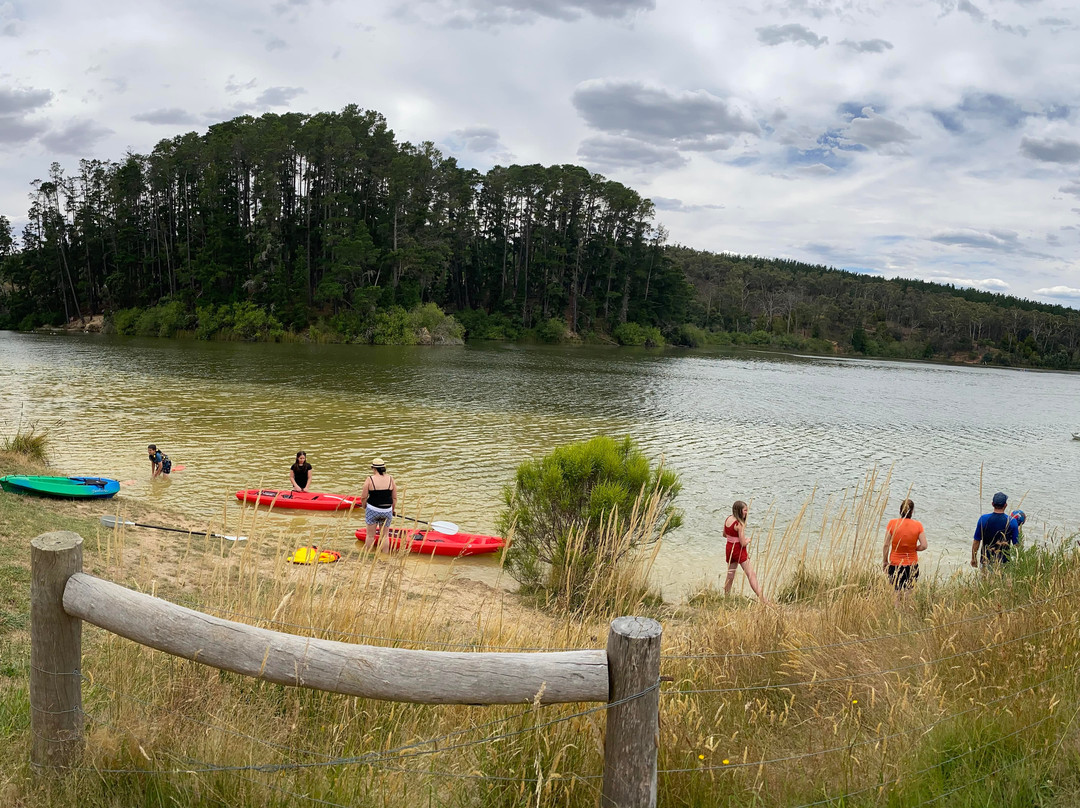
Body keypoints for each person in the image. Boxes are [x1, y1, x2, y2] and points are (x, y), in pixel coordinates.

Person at [722, 500, 767, 602]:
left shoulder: (728, 519)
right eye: (745, 510)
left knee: (730, 575)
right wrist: (748, 540)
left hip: (729, 549)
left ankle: (726, 598)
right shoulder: (739, 524)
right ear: (739, 511)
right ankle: (764, 600)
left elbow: (724, 534)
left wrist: (733, 538)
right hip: (739, 550)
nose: (747, 512)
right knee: (751, 574)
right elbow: (742, 543)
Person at [882, 498, 927, 599]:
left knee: (896, 593)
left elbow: (886, 544)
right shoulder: (918, 525)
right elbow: (924, 545)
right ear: (912, 511)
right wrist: (914, 548)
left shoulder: (892, 523)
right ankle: (907, 613)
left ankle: (897, 613)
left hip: (895, 564)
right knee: (909, 594)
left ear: (900, 510)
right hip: (911, 565)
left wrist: (885, 561)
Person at [971, 492, 1020, 569]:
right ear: (1005, 505)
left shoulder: (983, 519)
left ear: (992, 504)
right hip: (1004, 563)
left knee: (984, 580)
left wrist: (973, 559)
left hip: (985, 561)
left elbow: (976, 541)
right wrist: (1018, 530)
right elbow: (1017, 545)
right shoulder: (1012, 522)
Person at [360, 458, 396, 551]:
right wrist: (392, 510)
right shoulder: (391, 479)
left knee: (370, 535)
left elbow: (363, 497)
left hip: (372, 509)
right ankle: (385, 556)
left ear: (373, 468)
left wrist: (364, 506)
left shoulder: (370, 479)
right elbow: (394, 498)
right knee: (385, 536)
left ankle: (368, 555)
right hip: (387, 510)